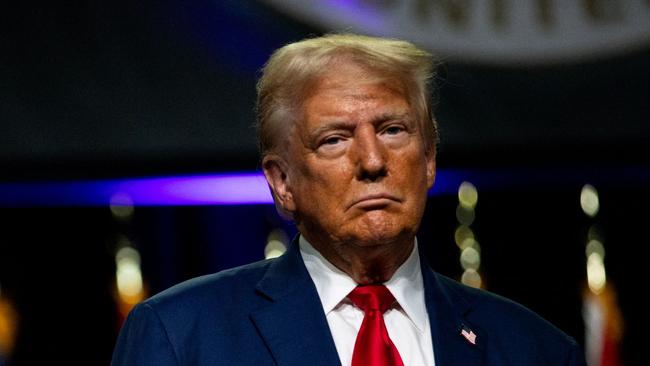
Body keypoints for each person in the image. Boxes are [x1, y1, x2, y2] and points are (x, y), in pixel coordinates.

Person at [112, 34, 586, 366]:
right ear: (282, 182)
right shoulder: (181, 336)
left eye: (393, 130)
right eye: (335, 139)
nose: (373, 160)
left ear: (428, 160)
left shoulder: (533, 348)